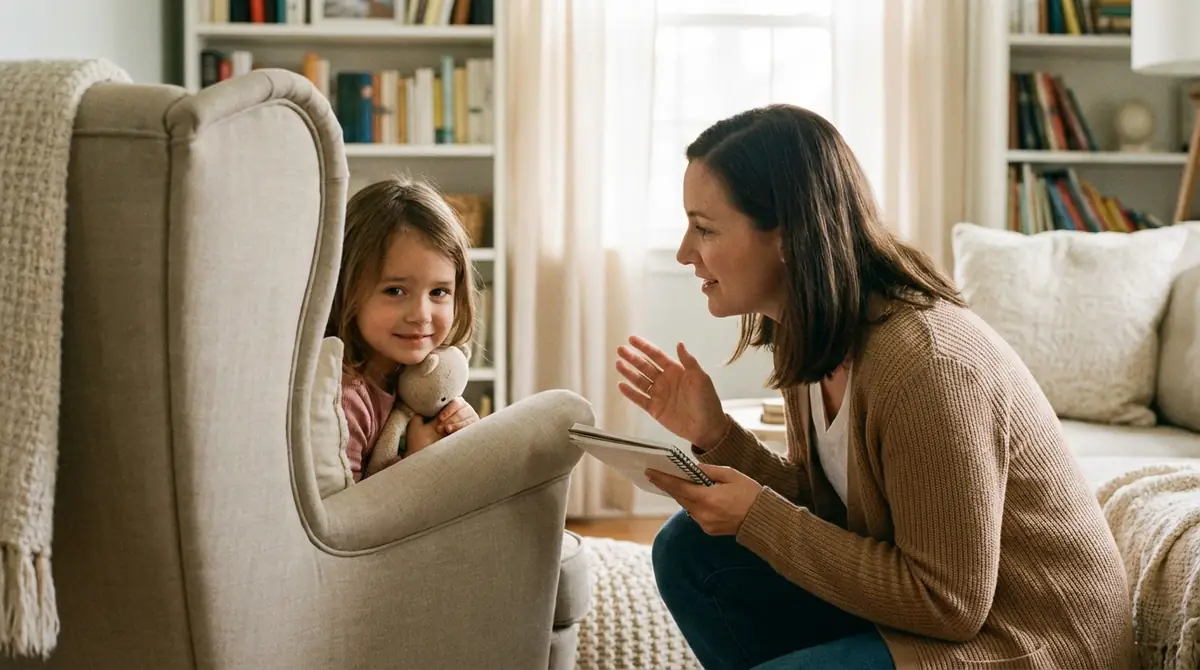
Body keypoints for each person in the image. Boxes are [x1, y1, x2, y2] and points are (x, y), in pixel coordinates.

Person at [615, 105, 1134, 670]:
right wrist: (716, 435)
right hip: (932, 615)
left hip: (1027, 640)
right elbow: (830, 512)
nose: (685, 252)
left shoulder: (927, 367)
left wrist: (757, 516)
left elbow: (949, 601)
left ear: (788, 235)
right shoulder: (808, 335)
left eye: (705, 228)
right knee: (688, 550)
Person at [326, 175, 481, 481]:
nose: (421, 315)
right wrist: (416, 460)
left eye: (438, 292)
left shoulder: (427, 377)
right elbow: (347, 515)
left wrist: (467, 431)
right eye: (395, 291)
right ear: (348, 290)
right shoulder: (345, 401)